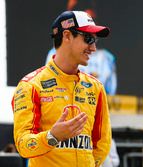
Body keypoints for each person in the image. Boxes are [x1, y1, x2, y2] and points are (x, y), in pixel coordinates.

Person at [12, 11, 112, 167]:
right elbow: (23, 145)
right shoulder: (30, 85)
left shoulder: (96, 87)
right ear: (66, 36)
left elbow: (102, 143)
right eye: (88, 39)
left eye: (95, 40)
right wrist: (53, 136)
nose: (93, 48)